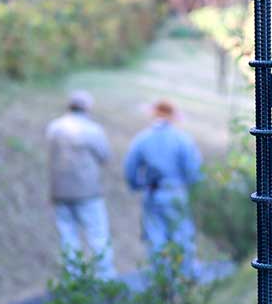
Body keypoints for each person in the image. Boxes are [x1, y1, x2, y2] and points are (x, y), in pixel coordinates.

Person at [123, 100, 202, 275]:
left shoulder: (142, 139)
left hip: (152, 194)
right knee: (182, 238)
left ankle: (161, 284)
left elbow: (130, 169)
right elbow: (194, 171)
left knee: (155, 239)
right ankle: (185, 281)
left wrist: (137, 185)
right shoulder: (182, 139)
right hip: (176, 193)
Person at [47, 91, 116, 279]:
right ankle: (105, 277)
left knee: (68, 237)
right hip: (87, 192)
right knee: (97, 236)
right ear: (87, 108)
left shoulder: (54, 127)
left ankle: (73, 276)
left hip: (59, 191)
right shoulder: (92, 129)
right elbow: (105, 156)